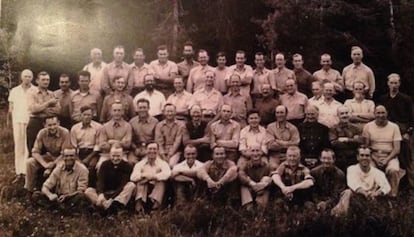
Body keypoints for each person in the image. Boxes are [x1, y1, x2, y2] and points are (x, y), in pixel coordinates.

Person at [331, 147, 390, 216]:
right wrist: (364, 193)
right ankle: (341, 217)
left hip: (372, 199)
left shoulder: (377, 172)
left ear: (371, 158)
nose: (364, 158)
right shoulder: (351, 169)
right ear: (357, 157)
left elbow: (386, 186)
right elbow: (352, 183)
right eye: (362, 155)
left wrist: (376, 193)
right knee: (347, 192)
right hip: (357, 197)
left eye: (367, 155)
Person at [378, 73, 414, 186]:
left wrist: (408, 132)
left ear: (399, 84)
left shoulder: (406, 99)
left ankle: (411, 184)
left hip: (403, 130)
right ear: (388, 84)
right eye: (392, 83)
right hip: (387, 130)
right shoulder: (383, 99)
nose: (394, 85)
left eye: (396, 83)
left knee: (407, 158)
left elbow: (412, 118)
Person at [362, 105, 405, 197]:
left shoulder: (394, 127)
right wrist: (375, 159)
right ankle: (371, 195)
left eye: (383, 113)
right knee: (369, 170)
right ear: (374, 114)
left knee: (393, 170)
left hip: (390, 155)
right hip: (373, 156)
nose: (381, 115)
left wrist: (386, 160)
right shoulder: (368, 126)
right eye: (378, 113)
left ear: (387, 113)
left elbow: (397, 149)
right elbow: (366, 147)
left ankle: (392, 195)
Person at [85, 144, 135, 214]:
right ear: (110, 155)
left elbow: (122, 185)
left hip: (118, 194)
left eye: (118, 156)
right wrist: (101, 194)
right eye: (113, 156)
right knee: (88, 191)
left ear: (122, 155)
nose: (115, 158)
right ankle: (107, 207)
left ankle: (109, 206)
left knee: (131, 185)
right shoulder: (104, 164)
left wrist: (112, 199)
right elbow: (100, 181)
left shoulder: (127, 166)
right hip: (105, 193)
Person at [25, 116, 70, 192]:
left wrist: (50, 167)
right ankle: (30, 190)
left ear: (58, 123)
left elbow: (65, 153)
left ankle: (56, 192)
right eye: (49, 125)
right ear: (44, 125)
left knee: (60, 165)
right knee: (30, 162)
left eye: (54, 124)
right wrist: (45, 164)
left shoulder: (65, 132)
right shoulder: (42, 133)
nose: (52, 127)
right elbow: (35, 152)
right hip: (49, 157)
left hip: (61, 158)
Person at [8, 69, 35, 179]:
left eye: (29, 76)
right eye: (25, 76)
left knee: (28, 146)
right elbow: (11, 108)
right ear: (21, 77)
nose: (27, 78)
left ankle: (27, 172)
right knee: (19, 146)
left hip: (30, 121)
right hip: (18, 121)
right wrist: (9, 121)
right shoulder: (14, 91)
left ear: (32, 78)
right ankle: (19, 172)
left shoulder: (35, 90)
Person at [26, 71, 61, 157]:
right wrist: (48, 104)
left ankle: (46, 168)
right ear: (37, 81)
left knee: (48, 149)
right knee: (34, 149)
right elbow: (33, 109)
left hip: (49, 123)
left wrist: (41, 108)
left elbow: (58, 110)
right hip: (35, 123)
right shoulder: (31, 93)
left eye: (47, 80)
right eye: (43, 80)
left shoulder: (52, 94)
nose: (46, 82)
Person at [131, 142, 171, 213]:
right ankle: (139, 208)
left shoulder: (162, 163)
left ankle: (155, 208)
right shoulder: (140, 164)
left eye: (154, 149)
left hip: (156, 187)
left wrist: (153, 177)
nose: (152, 151)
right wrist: (143, 175)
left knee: (161, 182)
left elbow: (167, 174)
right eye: (150, 149)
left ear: (158, 151)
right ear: (146, 150)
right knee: (140, 181)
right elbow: (133, 177)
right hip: (145, 188)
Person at [70, 105, 102, 179]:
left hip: (93, 153)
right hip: (79, 153)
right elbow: (73, 146)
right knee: (76, 166)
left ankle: (90, 186)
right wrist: (78, 160)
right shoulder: (75, 128)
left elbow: (98, 146)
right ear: (80, 115)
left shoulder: (98, 127)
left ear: (92, 116)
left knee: (92, 165)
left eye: (89, 115)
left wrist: (88, 158)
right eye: (84, 115)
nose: (87, 117)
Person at [265, 105, 300, 171]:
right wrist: (288, 144)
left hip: (289, 155)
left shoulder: (293, 128)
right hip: (275, 155)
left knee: (291, 167)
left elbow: (295, 144)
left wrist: (279, 142)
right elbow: (270, 145)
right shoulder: (270, 127)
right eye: (277, 113)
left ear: (286, 114)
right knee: (273, 167)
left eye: (281, 112)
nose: (279, 115)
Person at [329, 106, 363, 171]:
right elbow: (334, 143)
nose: (344, 115)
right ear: (338, 116)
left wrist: (346, 140)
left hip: (353, 158)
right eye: (342, 113)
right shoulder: (333, 128)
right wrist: (353, 140)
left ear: (349, 114)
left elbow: (360, 141)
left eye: (346, 113)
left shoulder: (356, 128)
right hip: (339, 158)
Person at [239, 145, 272, 210]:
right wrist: (251, 183)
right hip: (249, 187)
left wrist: (264, 184)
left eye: (258, 151)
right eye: (253, 151)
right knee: (243, 187)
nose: (255, 153)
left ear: (262, 153)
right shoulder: (245, 164)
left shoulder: (267, 166)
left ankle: (260, 208)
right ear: (249, 153)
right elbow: (240, 174)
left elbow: (272, 177)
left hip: (262, 189)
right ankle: (248, 208)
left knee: (266, 179)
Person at [128, 98, 158, 163]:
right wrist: (135, 148)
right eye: (140, 108)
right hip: (135, 149)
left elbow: (156, 139)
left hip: (150, 149)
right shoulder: (132, 122)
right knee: (131, 162)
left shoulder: (155, 122)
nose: (142, 110)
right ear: (137, 109)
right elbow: (130, 139)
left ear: (148, 108)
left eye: (144, 107)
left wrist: (148, 149)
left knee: (146, 162)